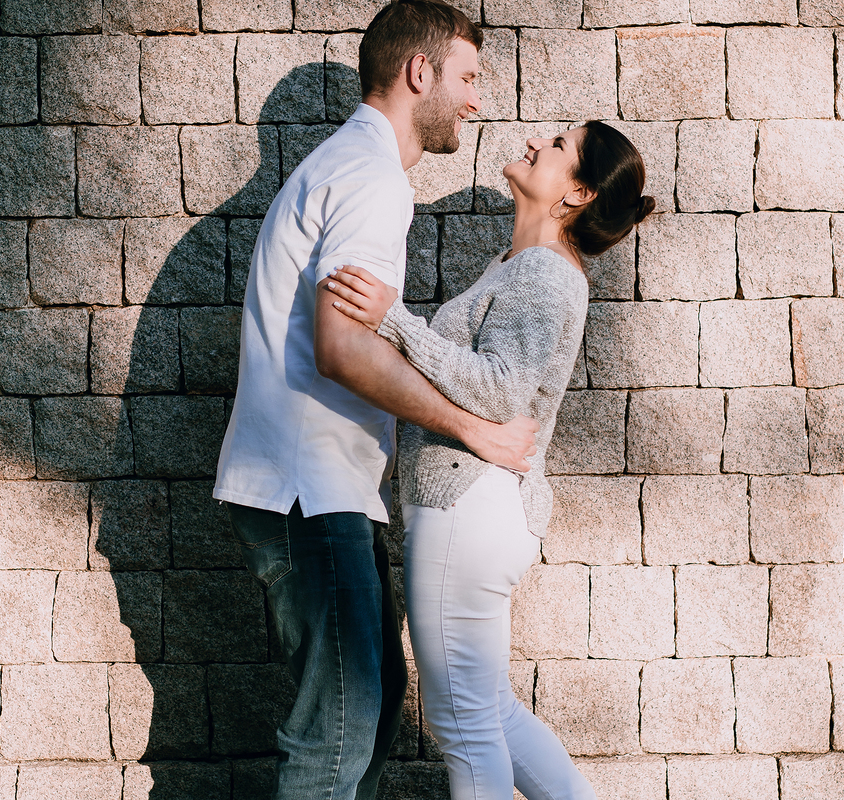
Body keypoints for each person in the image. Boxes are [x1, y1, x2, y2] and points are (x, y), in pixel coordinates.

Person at [213, 3, 541, 799]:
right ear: (419, 72)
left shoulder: (351, 166)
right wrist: (472, 428)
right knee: (337, 733)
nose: (476, 100)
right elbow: (342, 347)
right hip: (307, 489)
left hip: (320, 488)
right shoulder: (371, 179)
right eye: (468, 77)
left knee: (376, 700)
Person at [326, 121, 656, 799]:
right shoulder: (518, 264)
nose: (536, 142)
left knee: (463, 724)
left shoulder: (544, 272)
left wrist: (394, 320)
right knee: (490, 713)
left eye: (558, 146)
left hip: (468, 509)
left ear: (578, 193)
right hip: (474, 508)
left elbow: (500, 389)